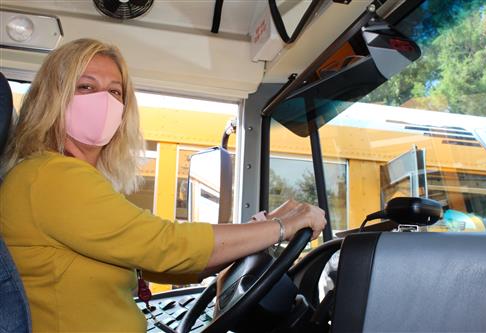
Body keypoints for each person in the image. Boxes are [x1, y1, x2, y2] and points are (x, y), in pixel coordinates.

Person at [0, 38, 326, 332]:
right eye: (85, 87)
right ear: (51, 98)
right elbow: (165, 247)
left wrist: (263, 227)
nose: (104, 101)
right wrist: (283, 227)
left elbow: (163, 263)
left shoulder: (57, 177)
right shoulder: (51, 177)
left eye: (115, 92)